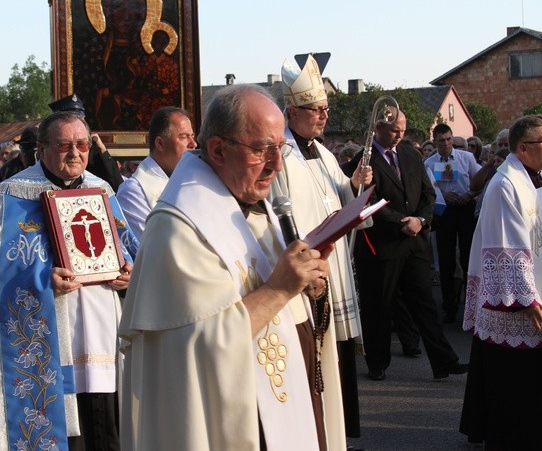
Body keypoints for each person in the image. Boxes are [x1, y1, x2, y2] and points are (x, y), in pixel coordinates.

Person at [119, 84, 337, 451]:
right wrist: (280, 289)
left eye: (279, 148)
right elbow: (192, 352)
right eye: (261, 149)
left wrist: (309, 286)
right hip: (233, 418)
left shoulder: (250, 197)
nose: (276, 163)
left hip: (288, 393)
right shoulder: (177, 227)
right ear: (218, 149)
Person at [0, 111, 137, 451]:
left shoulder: (102, 189)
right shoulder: (12, 195)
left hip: (102, 333)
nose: (74, 153)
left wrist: (129, 271)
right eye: (63, 145)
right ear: (41, 149)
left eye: (81, 144)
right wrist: (43, 280)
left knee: (105, 424)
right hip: (48, 332)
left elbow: (125, 244)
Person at [459, 115, 542, 448]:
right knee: (520, 390)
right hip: (520, 307)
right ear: (523, 148)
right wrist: (525, 297)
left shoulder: (539, 177)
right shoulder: (505, 184)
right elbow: (506, 246)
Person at [272, 54, 370, 442]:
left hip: (336, 267)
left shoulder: (323, 151)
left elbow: (336, 199)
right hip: (310, 269)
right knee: (316, 354)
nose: (324, 116)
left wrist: (355, 186)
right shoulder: (280, 153)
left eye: (326, 109)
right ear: (293, 111)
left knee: (337, 356)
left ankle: (340, 432)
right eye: (317, 109)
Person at [344, 107, 467, 382]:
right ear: (378, 129)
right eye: (393, 130)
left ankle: (444, 360)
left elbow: (428, 193)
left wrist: (421, 220)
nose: (399, 135)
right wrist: (402, 221)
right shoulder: (365, 160)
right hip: (381, 246)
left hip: (414, 243)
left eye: (402, 130)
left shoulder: (411, 154)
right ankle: (377, 362)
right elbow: (366, 202)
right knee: (379, 306)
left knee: (424, 303)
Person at [424, 123, 481, 323]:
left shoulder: (466, 158)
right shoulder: (430, 163)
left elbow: (478, 181)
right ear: (435, 141)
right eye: (441, 140)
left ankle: (471, 307)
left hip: (465, 209)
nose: (446, 143)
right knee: (446, 260)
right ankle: (449, 307)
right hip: (445, 211)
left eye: (449, 139)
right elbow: (429, 189)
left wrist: (469, 195)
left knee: (468, 258)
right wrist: (442, 196)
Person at [117, 106, 196, 239]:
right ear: (160, 143)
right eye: (184, 137)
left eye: (192, 136)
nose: (193, 144)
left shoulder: (192, 182)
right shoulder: (133, 191)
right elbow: (155, 246)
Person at [50, 94, 125, 191]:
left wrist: (103, 151)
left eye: (82, 120)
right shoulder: (50, 149)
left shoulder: (92, 151)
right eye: (64, 144)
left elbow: (118, 186)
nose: (75, 153)